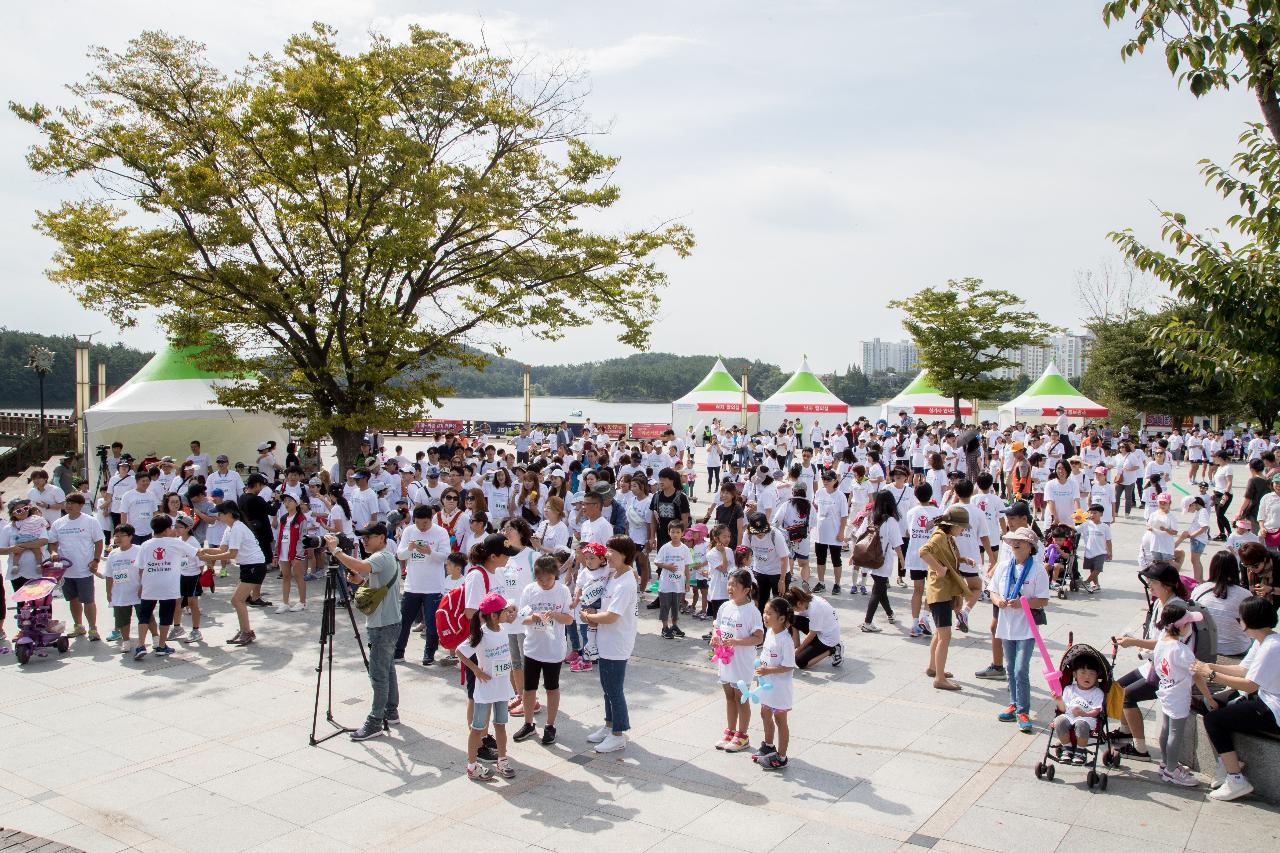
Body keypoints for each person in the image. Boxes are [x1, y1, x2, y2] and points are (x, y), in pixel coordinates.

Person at [1192, 596, 1280, 801]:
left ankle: (1236, 779)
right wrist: (1210, 666)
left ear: (1249, 620)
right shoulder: (1264, 640)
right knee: (1212, 703)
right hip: (1264, 698)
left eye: (1240, 618)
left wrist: (1210, 674)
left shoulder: (1272, 647)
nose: (1238, 621)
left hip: (1273, 708)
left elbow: (1250, 684)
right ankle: (1228, 761)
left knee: (1214, 720)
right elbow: (1242, 669)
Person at [324, 521, 401, 741]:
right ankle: (390, 710)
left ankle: (375, 721)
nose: (364, 541)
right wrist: (361, 580)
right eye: (362, 537)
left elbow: (359, 566)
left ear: (381, 538)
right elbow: (369, 575)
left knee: (378, 674)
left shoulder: (381, 556)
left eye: (368, 537)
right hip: (389, 622)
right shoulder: (385, 558)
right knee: (387, 669)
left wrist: (335, 550)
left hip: (383, 625)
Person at [1112, 562, 1190, 758]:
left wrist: (1133, 641)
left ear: (1167, 585)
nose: (1149, 585)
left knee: (1128, 696)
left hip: (1168, 669)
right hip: (1151, 664)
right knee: (1116, 688)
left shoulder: (1177, 608)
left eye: (1153, 581)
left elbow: (1165, 644)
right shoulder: (1158, 603)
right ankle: (1125, 730)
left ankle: (1140, 748)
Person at [580, 535, 640, 754]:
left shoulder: (625, 583)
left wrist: (590, 617)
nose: (606, 555)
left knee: (614, 689)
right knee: (607, 688)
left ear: (624, 555)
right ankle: (609, 725)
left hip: (617, 641)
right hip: (606, 640)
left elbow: (613, 616)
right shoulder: (615, 575)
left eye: (611, 551)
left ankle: (618, 734)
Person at [989, 527, 1051, 733]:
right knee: (1010, 667)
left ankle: (1023, 710)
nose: (1015, 544)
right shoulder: (1005, 566)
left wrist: (1023, 603)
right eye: (1013, 541)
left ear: (1030, 546)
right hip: (1007, 624)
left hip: (1027, 626)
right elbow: (993, 590)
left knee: (1020, 669)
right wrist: (999, 601)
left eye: (1020, 541)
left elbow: (1043, 599)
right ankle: (1014, 704)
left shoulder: (1037, 569)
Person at [1149, 603, 1214, 787]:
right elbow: (1198, 676)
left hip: (1166, 690)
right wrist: (1209, 699)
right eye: (1189, 624)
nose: (1191, 627)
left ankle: (1165, 763)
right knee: (1175, 733)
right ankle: (1171, 770)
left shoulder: (1162, 642)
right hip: (1179, 695)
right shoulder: (1182, 651)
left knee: (1166, 728)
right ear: (1181, 626)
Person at [513, 555, 573, 745]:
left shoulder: (563, 591)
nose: (545, 583)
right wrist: (535, 618)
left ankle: (550, 725)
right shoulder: (530, 590)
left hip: (553, 649)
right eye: (540, 579)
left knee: (551, 687)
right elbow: (522, 617)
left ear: (555, 575)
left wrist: (556, 615)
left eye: (548, 579)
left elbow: (569, 619)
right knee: (529, 688)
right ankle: (529, 723)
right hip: (532, 648)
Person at [457, 591, 517, 780]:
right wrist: (476, 671)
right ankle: (472, 765)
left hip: (502, 688)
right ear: (493, 615)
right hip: (485, 689)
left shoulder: (504, 630)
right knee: (477, 727)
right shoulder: (482, 633)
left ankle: (502, 760)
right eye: (504, 611)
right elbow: (460, 651)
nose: (508, 614)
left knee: (501, 725)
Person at [197, 501, 268, 646]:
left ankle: (246, 632)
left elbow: (231, 554)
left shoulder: (237, 528)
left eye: (220, 513)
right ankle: (245, 631)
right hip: (248, 566)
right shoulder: (230, 528)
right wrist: (205, 551)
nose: (218, 516)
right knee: (238, 600)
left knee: (237, 600)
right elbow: (222, 550)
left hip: (255, 566)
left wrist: (208, 558)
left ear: (229, 514)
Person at [711, 568, 764, 752]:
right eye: (729, 584)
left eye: (735, 585)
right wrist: (714, 637)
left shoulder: (752, 611)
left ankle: (742, 735)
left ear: (747, 589)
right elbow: (717, 626)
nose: (730, 588)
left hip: (742, 661)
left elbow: (758, 638)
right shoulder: (725, 606)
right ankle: (730, 731)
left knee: (740, 697)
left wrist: (737, 642)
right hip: (725, 660)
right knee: (729, 695)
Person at [919, 505, 971, 691]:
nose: (963, 530)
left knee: (939, 634)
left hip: (944, 590)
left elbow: (945, 557)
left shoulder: (947, 537)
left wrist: (963, 560)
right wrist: (939, 569)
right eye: (961, 527)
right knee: (945, 636)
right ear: (952, 525)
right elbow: (924, 552)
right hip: (939, 592)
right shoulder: (940, 536)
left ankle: (934, 668)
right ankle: (939, 678)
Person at [133, 514, 199, 660]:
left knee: (144, 616)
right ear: (168, 529)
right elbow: (197, 553)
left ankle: (140, 645)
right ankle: (162, 646)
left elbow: (140, 568)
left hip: (149, 587)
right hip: (169, 588)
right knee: (165, 616)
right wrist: (222, 553)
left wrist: (140, 585)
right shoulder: (175, 542)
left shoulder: (145, 545)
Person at [394, 504, 451, 665]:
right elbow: (400, 554)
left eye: (425, 523)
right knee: (404, 621)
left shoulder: (440, 532)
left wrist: (430, 552)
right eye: (418, 523)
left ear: (431, 519)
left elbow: (446, 557)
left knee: (433, 624)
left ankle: (429, 654)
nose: (422, 527)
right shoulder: (409, 531)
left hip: (434, 586)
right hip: (413, 585)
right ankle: (398, 652)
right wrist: (410, 549)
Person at [47, 492, 105, 641]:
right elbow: (52, 543)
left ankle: (93, 628)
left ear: (80, 505)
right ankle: (78, 626)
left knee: (88, 600)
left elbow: (99, 542)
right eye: (67, 502)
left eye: (72, 503)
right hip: (66, 570)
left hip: (84, 569)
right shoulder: (58, 523)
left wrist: (96, 560)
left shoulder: (90, 521)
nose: (68, 505)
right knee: (73, 599)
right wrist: (53, 552)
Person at [753, 596, 796, 771]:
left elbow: (788, 666)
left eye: (769, 613)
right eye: (764, 612)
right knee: (764, 713)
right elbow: (766, 657)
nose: (765, 616)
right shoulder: (770, 633)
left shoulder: (786, 640)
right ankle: (768, 745)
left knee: (780, 719)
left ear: (781, 618)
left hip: (779, 688)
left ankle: (782, 756)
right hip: (767, 684)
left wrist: (768, 670)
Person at [856, 489, 905, 633]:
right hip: (882, 561)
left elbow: (859, 536)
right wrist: (902, 560)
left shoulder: (870, 517)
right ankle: (867, 622)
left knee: (880, 588)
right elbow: (897, 544)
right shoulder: (891, 521)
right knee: (877, 591)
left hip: (868, 559)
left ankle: (890, 614)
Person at [1192, 552, 1254, 657]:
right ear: (1235, 569)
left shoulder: (1199, 589)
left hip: (1206, 647)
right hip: (1237, 649)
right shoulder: (1244, 594)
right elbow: (1252, 625)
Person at [904, 483, 942, 638]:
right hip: (932, 556)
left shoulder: (911, 512)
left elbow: (908, 532)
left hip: (915, 554)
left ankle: (915, 624)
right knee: (932, 589)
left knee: (917, 590)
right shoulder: (938, 512)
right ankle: (924, 617)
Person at [1052, 663, 1105, 765]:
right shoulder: (1069, 689)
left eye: (1091, 674)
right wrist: (1059, 700)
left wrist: (1084, 714)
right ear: (1075, 674)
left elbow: (1096, 711)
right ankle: (1067, 747)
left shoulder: (1097, 692)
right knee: (1059, 721)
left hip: (1087, 718)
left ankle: (1080, 751)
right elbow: (1063, 709)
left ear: (1097, 676)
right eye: (1083, 673)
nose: (1087, 676)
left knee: (1081, 724)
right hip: (1069, 715)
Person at [785, 583, 842, 668]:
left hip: (828, 638)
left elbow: (812, 634)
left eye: (794, 609)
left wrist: (798, 651)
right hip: (821, 630)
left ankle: (833, 649)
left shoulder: (815, 610)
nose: (795, 611)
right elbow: (797, 619)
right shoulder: (808, 599)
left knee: (799, 662)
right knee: (793, 620)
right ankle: (796, 646)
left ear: (799, 603)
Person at [743, 511, 789, 613]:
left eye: (762, 530)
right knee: (760, 602)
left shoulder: (775, 534)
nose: (760, 534)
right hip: (760, 572)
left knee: (780, 604)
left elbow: (784, 558)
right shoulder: (747, 534)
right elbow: (744, 554)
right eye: (757, 531)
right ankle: (762, 627)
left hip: (778, 572)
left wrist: (782, 580)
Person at [1077, 503, 1113, 592]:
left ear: (1101, 514)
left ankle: (1086, 582)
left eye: (1095, 513)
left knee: (1097, 569)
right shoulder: (1086, 525)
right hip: (1089, 552)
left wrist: (1110, 552)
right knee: (1092, 569)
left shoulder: (1105, 527)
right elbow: (1075, 529)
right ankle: (1097, 585)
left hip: (1101, 552)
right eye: (1091, 513)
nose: (1092, 515)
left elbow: (1108, 541)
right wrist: (1063, 524)